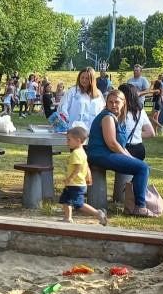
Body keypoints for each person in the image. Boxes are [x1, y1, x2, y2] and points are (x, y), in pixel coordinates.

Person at [87, 89, 155, 218]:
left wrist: (131, 157)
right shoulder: (107, 117)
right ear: (106, 103)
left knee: (141, 166)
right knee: (142, 168)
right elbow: (112, 143)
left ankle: (131, 201)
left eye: (116, 102)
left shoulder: (119, 117)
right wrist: (129, 157)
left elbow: (121, 145)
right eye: (110, 102)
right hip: (100, 155)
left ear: (124, 103)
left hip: (107, 154)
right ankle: (140, 207)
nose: (113, 105)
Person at [59, 126, 107, 226]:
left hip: (76, 184)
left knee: (78, 204)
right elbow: (86, 165)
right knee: (65, 200)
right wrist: (88, 177)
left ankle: (98, 213)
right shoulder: (82, 152)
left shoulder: (76, 153)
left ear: (78, 140)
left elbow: (79, 167)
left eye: (69, 140)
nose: (67, 142)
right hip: (74, 184)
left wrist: (71, 177)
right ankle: (68, 218)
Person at [118, 83, 156, 161]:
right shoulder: (141, 111)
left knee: (123, 172)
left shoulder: (120, 113)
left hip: (126, 148)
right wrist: (137, 134)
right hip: (139, 148)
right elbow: (151, 133)